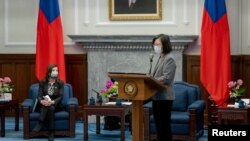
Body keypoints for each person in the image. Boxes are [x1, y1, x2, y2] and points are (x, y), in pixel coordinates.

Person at [151, 34, 176, 141]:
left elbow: (167, 78)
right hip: (157, 96)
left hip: (165, 97)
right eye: (154, 44)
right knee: (159, 126)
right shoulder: (161, 57)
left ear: (165, 45)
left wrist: (151, 80)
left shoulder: (169, 58)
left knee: (164, 126)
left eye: (158, 44)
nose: (155, 46)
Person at [32, 64, 65, 141]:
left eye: (57, 70)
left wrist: (53, 102)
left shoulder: (60, 83)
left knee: (51, 107)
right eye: (53, 70)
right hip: (45, 103)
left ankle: (40, 123)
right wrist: (41, 101)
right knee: (50, 108)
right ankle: (51, 132)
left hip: (56, 104)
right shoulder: (42, 82)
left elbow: (61, 96)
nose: (55, 72)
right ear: (49, 72)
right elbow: (39, 96)